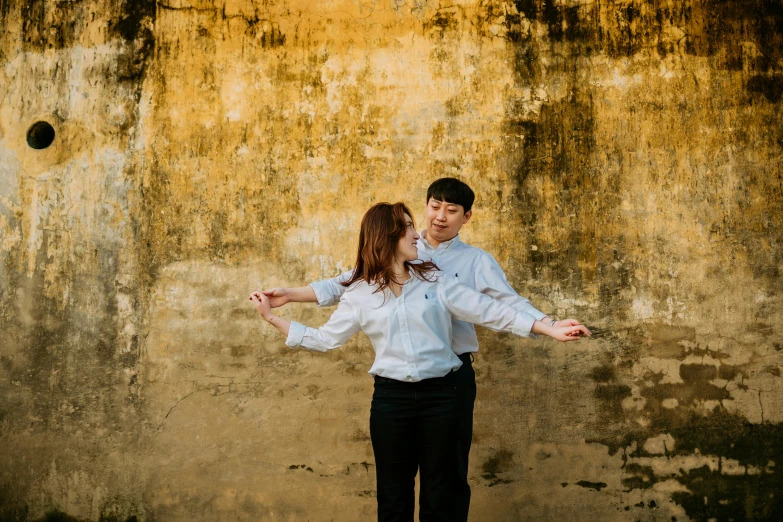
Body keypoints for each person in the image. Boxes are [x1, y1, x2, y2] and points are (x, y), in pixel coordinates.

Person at [260, 178, 588, 521]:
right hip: (393, 393)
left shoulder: (461, 267)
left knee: (445, 486)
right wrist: (287, 296)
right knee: (394, 492)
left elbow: (500, 307)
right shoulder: (373, 281)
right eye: (432, 208)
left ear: (466, 217)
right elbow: (343, 286)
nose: (435, 220)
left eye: (451, 210)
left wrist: (549, 325)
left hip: (451, 379)